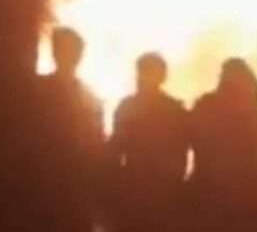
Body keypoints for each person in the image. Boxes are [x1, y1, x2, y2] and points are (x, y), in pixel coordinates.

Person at [189, 58, 257, 232]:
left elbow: (194, 139)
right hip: (247, 192)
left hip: (211, 190)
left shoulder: (206, 105)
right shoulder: (252, 109)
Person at [109, 53, 190, 232]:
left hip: (148, 192)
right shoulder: (173, 109)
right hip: (147, 192)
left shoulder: (130, 107)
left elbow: (114, 150)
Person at [37, 27, 104, 231]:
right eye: (68, 50)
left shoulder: (89, 97)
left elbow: (96, 141)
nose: (72, 57)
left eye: (74, 51)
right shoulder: (37, 91)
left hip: (75, 182)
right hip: (46, 180)